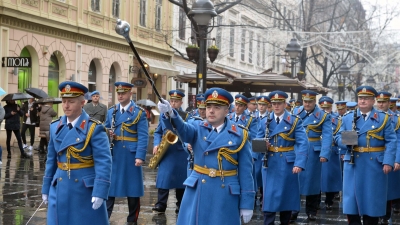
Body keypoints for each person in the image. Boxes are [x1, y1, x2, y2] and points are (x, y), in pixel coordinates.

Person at [157, 87, 255, 224]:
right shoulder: (197, 128)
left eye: (217, 107)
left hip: (225, 194)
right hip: (198, 191)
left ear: (227, 110)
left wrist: (247, 203)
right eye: (208, 106)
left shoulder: (240, 134)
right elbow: (181, 129)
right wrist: (170, 113)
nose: (211, 110)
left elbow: (246, 172)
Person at [41, 81, 112, 225]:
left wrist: (100, 191)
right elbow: (51, 160)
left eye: (71, 101)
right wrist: (46, 187)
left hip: (84, 191)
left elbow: (103, 162)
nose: (66, 105)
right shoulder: (55, 127)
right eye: (64, 101)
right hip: (59, 187)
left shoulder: (94, 128)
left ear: (82, 102)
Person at [336, 86, 396, 225]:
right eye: (360, 98)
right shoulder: (348, 118)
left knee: (372, 202)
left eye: (366, 98)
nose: (362, 101)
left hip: (374, 164)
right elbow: (337, 137)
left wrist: (388, 161)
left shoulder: (383, 118)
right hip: (353, 163)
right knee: (352, 203)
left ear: (373, 100)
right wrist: (347, 141)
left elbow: (391, 141)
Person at [256, 91, 308, 225]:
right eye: (274, 103)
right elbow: (256, 142)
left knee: (287, 197)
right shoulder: (264, 121)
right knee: (269, 197)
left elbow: (302, 142)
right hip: (270, 162)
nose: (276, 106)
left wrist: (299, 163)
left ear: (285, 104)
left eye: (279, 103)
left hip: (287, 163)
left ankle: (286, 221)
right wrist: (263, 145)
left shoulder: (294, 121)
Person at [105, 82, 148, 225]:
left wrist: (140, 156)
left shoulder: (139, 112)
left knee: (133, 189)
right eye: (118, 93)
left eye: (123, 93)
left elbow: (143, 136)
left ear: (131, 94)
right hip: (114, 153)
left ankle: (132, 220)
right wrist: (108, 133)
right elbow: (104, 129)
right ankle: (105, 218)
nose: (120, 95)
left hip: (130, 154)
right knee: (109, 187)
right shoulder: (112, 111)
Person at [291, 90, 332, 222]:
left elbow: (327, 135)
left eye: (310, 101)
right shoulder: (296, 112)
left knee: (312, 183)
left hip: (314, 151)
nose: (307, 104)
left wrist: (324, 153)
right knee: (294, 181)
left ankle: (311, 210)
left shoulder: (323, 116)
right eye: (305, 101)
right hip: (297, 149)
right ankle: (293, 210)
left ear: (315, 101)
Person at [152, 90, 189, 214]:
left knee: (181, 179)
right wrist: (156, 144)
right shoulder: (163, 115)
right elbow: (158, 132)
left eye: (176, 101)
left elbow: (186, 132)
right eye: (172, 101)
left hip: (180, 152)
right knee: (164, 178)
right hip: (167, 151)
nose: (173, 104)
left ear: (181, 102)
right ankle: (161, 204)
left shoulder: (185, 116)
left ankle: (181, 204)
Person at [375, 91, 400, 225]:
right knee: (372, 188)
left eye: (384, 102)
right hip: (371, 158)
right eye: (379, 102)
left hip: (388, 156)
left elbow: (399, 141)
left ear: (389, 103)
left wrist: (397, 159)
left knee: (386, 189)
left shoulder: (396, 119)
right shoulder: (368, 116)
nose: (381, 104)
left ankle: (385, 215)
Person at [319, 96, 342, 210]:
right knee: (317, 177)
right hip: (318, 151)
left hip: (332, 151)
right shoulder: (316, 118)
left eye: (327, 108)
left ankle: (329, 199)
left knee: (330, 178)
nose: (325, 110)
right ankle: (316, 202)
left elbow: (340, 136)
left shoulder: (337, 120)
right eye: (323, 108)